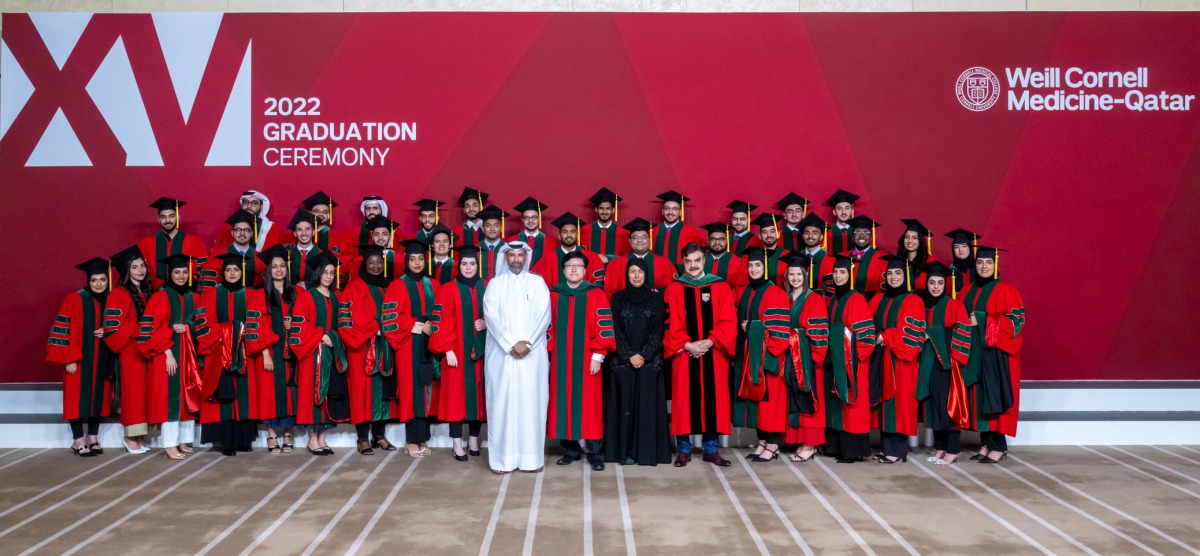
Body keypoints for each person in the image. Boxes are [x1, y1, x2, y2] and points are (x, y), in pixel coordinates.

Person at [662, 243, 738, 467]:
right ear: (683, 262)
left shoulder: (720, 287)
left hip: (714, 353)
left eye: (697, 260)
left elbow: (729, 320)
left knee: (714, 400)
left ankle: (711, 449)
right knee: (683, 401)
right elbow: (669, 323)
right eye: (688, 261)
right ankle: (683, 449)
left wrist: (710, 341)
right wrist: (687, 345)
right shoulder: (674, 288)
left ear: (704, 261)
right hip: (684, 355)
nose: (693, 265)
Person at [482, 242, 552, 474]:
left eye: (520, 255)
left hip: (532, 355)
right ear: (505, 258)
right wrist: (512, 343)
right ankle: (502, 460)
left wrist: (526, 343)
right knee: (502, 405)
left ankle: (532, 459)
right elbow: (491, 318)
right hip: (502, 357)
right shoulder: (495, 284)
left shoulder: (537, 282)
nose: (516, 259)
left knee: (532, 405)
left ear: (526, 257)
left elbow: (545, 316)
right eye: (511, 255)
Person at [547, 252, 616, 471]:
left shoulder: (595, 294)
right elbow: (546, 327)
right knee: (563, 402)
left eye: (578, 266)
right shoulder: (553, 294)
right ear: (563, 269)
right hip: (560, 360)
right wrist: (547, 355)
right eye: (570, 265)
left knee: (590, 405)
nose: (574, 269)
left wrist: (598, 355)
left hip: (588, 359)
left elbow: (604, 326)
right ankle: (571, 448)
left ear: (585, 270)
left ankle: (595, 452)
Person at [195, 252, 267, 456]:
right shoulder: (210, 294)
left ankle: (243, 440)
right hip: (218, 351)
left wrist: (240, 337)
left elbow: (257, 323)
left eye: (236, 269)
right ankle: (225, 441)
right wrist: (229, 332)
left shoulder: (251, 294)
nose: (232, 273)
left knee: (243, 394)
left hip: (244, 351)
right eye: (228, 270)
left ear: (241, 271)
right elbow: (202, 323)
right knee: (223, 396)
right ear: (223, 272)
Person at [604, 257, 671, 466]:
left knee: (647, 408)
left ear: (646, 274)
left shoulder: (656, 299)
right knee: (624, 405)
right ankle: (623, 452)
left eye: (640, 272)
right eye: (632, 271)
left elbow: (658, 331)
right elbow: (614, 329)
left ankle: (646, 453)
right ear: (627, 274)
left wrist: (644, 355)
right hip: (623, 361)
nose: (636, 276)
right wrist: (628, 355)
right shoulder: (617, 299)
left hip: (649, 362)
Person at [960, 247, 1025, 464]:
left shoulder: (1006, 290)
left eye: (988, 262)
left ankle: (999, 446)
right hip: (974, 353)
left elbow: (1016, 322)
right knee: (980, 398)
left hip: (996, 355)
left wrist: (983, 319)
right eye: (980, 262)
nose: (984, 266)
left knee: (994, 396)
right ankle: (986, 443)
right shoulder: (967, 290)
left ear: (995, 264)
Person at [47, 257, 115, 457]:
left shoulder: (111, 300)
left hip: (102, 358)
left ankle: (92, 437)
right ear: (88, 281)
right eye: (94, 280)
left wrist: (108, 331)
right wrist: (69, 358)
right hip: (78, 360)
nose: (99, 284)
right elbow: (63, 329)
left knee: (99, 398)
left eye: (103, 279)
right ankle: (78, 439)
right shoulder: (75, 298)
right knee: (75, 399)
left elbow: (119, 325)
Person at [731, 247, 791, 463]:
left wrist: (752, 327)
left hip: (769, 357)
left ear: (765, 267)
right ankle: (763, 442)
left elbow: (780, 331)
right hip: (748, 355)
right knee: (755, 399)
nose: (754, 269)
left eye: (758, 265)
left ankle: (773, 444)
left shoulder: (775, 293)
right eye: (750, 265)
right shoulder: (746, 291)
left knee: (769, 401)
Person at [338, 245, 400, 455]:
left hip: (385, 347)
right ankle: (363, 438)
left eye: (379, 262)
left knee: (382, 391)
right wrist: (377, 327)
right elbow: (349, 319)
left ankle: (379, 436)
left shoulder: (388, 286)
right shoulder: (354, 287)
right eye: (371, 262)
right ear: (364, 264)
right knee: (361, 392)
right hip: (362, 350)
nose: (375, 266)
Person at [429, 245, 488, 461]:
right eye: (464, 264)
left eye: (472, 264)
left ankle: (473, 440)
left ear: (477, 265)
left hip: (481, 354)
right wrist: (447, 349)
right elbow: (439, 321)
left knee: (478, 398)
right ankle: (456, 443)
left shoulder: (485, 286)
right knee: (455, 398)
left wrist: (487, 323)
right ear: (459, 265)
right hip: (456, 354)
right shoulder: (448, 289)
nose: (468, 267)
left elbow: (499, 314)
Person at [867, 255, 927, 464]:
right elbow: (869, 325)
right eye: (890, 273)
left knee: (899, 403)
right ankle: (887, 448)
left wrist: (885, 336)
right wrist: (876, 336)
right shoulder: (878, 299)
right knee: (883, 403)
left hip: (901, 363)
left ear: (906, 275)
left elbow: (910, 334)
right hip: (880, 359)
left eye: (898, 273)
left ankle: (897, 450)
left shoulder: (913, 300)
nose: (893, 277)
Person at [383, 240, 441, 458]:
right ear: (407, 261)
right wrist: (418, 326)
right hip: (407, 345)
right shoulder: (398, 285)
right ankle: (411, 440)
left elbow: (440, 312)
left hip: (429, 345)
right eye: (412, 259)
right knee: (411, 391)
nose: (417, 263)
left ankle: (422, 438)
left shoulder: (433, 284)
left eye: (420, 259)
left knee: (426, 389)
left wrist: (432, 326)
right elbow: (389, 319)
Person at [915, 262, 971, 465]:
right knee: (933, 404)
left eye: (940, 283)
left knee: (947, 405)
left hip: (947, 364)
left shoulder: (954, 305)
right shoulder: (925, 306)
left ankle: (953, 449)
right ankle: (941, 447)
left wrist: (934, 333)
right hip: (928, 362)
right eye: (932, 282)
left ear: (945, 284)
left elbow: (963, 332)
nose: (936, 287)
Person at [291, 251, 347, 455]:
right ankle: (312, 438)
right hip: (312, 354)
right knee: (312, 394)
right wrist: (321, 336)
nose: (329, 276)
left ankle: (323, 437)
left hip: (331, 352)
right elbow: (298, 328)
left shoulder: (337, 297)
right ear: (317, 273)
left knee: (329, 394)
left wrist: (334, 338)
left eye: (332, 273)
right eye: (325, 272)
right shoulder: (306, 297)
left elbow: (343, 325)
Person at [823, 255, 876, 463]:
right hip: (836, 362)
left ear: (850, 274)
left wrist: (849, 360)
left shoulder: (856, 299)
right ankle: (837, 447)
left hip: (853, 364)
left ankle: (852, 451)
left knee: (852, 406)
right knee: (838, 403)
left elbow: (866, 336)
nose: (838, 276)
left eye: (842, 272)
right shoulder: (833, 300)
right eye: (836, 272)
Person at [779, 253, 829, 463]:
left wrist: (793, 338)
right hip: (791, 358)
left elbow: (819, 332)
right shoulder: (786, 298)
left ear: (805, 275)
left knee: (810, 400)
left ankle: (810, 444)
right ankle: (801, 442)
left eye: (799, 274)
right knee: (795, 400)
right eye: (791, 274)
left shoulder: (814, 298)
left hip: (808, 360)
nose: (795, 278)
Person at [104, 245, 154, 454]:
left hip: (146, 349)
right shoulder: (119, 293)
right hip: (130, 350)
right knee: (134, 393)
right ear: (126, 270)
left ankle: (140, 436)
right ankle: (129, 437)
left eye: (142, 266)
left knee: (145, 393)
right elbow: (113, 327)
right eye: (135, 267)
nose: (140, 270)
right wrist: (140, 328)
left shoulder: (146, 292)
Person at [254, 245, 299, 454]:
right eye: (274, 267)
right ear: (268, 271)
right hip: (270, 352)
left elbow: (305, 319)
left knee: (291, 391)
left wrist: (294, 325)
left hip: (292, 351)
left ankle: (289, 432)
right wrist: (265, 353)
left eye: (282, 266)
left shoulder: (296, 293)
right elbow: (256, 326)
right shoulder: (260, 295)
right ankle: (271, 433)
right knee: (269, 392)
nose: (279, 270)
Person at [137, 197, 208, 289]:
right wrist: (158, 285)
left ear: (178, 217)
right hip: (156, 293)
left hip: (187, 293)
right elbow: (141, 272)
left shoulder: (196, 243)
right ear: (158, 219)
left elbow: (203, 273)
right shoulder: (145, 244)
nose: (167, 220)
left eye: (171, 216)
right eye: (163, 217)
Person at [603, 218, 676, 297]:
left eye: (644, 237)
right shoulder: (616, 264)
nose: (640, 240)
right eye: (635, 237)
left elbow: (672, 291)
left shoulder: (664, 263)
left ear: (649, 239)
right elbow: (609, 293)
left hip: (656, 304)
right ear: (629, 241)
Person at [533, 212, 606, 289]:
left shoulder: (592, 258)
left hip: (584, 297)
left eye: (572, 231)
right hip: (555, 297)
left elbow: (597, 288)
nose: (569, 235)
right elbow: (537, 287)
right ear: (559, 236)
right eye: (565, 232)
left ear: (577, 235)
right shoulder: (547, 260)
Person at [200, 210, 262, 290]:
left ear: (251, 234)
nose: (242, 233)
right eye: (238, 230)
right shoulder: (216, 257)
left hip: (252, 298)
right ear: (232, 233)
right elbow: (208, 289)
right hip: (223, 297)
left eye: (246, 230)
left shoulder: (260, 258)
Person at [209, 190, 288, 253]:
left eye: (254, 203)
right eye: (245, 202)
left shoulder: (273, 229)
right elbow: (218, 254)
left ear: (262, 206)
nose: (249, 206)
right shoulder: (228, 228)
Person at [652, 190, 706, 267]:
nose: (670, 212)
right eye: (667, 208)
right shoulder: (652, 233)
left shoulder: (693, 233)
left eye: (675, 209)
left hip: (683, 274)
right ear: (663, 211)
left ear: (680, 212)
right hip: (657, 273)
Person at [699, 222, 749, 299]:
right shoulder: (699, 261)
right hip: (703, 303)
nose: (717, 242)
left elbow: (742, 292)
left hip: (729, 304)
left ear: (727, 240)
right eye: (713, 239)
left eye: (721, 239)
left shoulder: (739, 263)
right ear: (708, 241)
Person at [507, 197, 558, 268]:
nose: (530, 220)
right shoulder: (512, 240)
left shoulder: (551, 242)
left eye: (534, 217)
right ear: (522, 220)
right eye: (526, 218)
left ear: (539, 219)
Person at [580, 187, 629, 261]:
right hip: (591, 268)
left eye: (608, 209)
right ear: (596, 209)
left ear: (613, 210)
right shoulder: (585, 231)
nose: (604, 212)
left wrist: (607, 258)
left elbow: (625, 259)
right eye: (601, 208)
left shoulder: (623, 233)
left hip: (615, 268)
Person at [300, 190, 351, 261]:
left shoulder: (339, 237)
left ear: (329, 215)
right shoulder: (300, 234)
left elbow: (346, 258)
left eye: (325, 212)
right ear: (310, 213)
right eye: (316, 211)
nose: (321, 214)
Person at [283, 209, 331, 285]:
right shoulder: (286, 255)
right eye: (299, 230)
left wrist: (308, 286)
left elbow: (326, 283)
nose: (304, 233)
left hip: (314, 292)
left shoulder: (322, 255)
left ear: (313, 232)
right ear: (295, 233)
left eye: (308, 229)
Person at [796, 213, 835, 297]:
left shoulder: (830, 259)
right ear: (802, 236)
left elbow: (830, 290)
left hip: (821, 302)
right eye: (806, 233)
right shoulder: (796, 257)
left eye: (815, 233)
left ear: (821, 237)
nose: (810, 236)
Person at [847, 216, 886, 299]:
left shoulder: (882, 259)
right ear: (852, 237)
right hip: (848, 302)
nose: (861, 236)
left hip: (871, 303)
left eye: (866, 232)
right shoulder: (844, 257)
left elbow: (883, 287)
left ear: (871, 237)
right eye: (857, 232)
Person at [748, 213, 789, 286]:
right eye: (764, 232)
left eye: (772, 231)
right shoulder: (755, 256)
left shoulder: (786, 255)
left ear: (778, 234)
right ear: (760, 236)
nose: (769, 235)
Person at [897, 219, 936, 290]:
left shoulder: (931, 262)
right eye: (907, 237)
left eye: (914, 238)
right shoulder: (898, 261)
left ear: (920, 241)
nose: (910, 241)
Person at [475, 206, 509, 280]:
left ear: (501, 228)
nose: (492, 229)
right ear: (482, 228)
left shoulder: (508, 249)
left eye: (496, 225)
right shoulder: (475, 249)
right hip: (480, 286)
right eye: (488, 225)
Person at [945, 228, 981, 296]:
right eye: (956, 247)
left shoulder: (980, 269)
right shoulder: (949, 272)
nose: (960, 250)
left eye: (964, 246)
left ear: (970, 248)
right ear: (953, 250)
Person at [824, 189, 859, 255]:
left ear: (852, 211)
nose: (843, 212)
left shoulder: (859, 231)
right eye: (839, 208)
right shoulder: (826, 232)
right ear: (834, 212)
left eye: (847, 208)